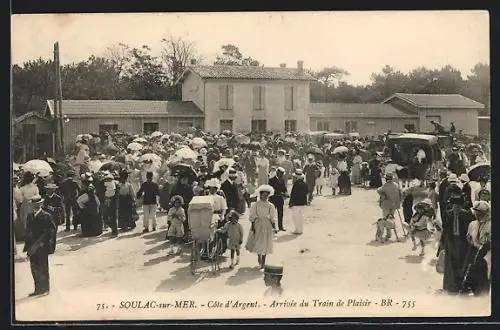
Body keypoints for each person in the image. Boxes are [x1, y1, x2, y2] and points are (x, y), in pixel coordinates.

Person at [442, 184, 476, 294]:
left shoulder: (466, 215)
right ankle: (452, 284)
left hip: (463, 242)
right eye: (454, 205)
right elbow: (446, 230)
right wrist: (443, 243)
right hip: (452, 242)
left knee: (463, 263)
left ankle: (463, 284)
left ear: (461, 205)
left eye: (458, 205)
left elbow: (471, 228)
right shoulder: (449, 214)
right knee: (452, 263)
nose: (456, 207)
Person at [23, 195, 56, 296]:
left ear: (41, 204)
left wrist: (46, 243)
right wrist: (28, 246)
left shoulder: (47, 216)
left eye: (38, 204)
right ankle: (37, 289)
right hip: (32, 246)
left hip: (42, 246)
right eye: (34, 205)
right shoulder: (29, 216)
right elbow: (28, 231)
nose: (35, 206)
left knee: (43, 267)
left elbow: (51, 231)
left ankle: (45, 288)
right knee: (34, 268)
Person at [246, 184, 277, 270]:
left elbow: (272, 217)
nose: (265, 196)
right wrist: (253, 227)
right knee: (258, 242)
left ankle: (263, 261)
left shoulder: (270, 205)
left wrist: (274, 227)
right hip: (258, 224)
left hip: (267, 225)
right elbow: (252, 216)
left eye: (267, 195)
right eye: (264, 194)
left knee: (265, 243)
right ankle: (259, 257)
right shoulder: (255, 205)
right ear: (260, 195)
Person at [463, 201, 491, 296]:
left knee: (485, 275)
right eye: (477, 212)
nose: (478, 215)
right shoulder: (472, 224)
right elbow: (469, 238)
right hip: (475, 252)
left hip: (487, 254)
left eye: (481, 213)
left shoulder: (491, 224)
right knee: (473, 274)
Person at [16, 172, 40, 241]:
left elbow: (20, 200)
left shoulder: (22, 189)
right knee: (34, 218)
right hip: (34, 204)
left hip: (25, 205)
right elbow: (38, 196)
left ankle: (27, 235)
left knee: (25, 219)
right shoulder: (35, 187)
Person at [288, 170, 309, 235]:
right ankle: (301, 229)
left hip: (296, 204)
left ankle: (297, 229)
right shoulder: (305, 184)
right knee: (301, 217)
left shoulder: (296, 184)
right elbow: (307, 192)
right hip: (302, 203)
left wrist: (290, 203)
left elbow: (293, 195)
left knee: (295, 217)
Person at [268, 167, 288, 232]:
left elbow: (284, 188)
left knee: (280, 213)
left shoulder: (282, 180)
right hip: (273, 199)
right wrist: (279, 193)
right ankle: (273, 227)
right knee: (272, 214)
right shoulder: (271, 180)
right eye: (280, 174)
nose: (281, 175)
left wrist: (286, 193)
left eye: (282, 174)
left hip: (280, 199)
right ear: (277, 173)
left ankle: (280, 226)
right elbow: (270, 190)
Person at [102, 172, 118, 237]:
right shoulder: (114, 185)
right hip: (111, 203)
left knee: (108, 217)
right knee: (111, 217)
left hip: (110, 203)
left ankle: (114, 230)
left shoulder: (108, 185)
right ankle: (114, 230)